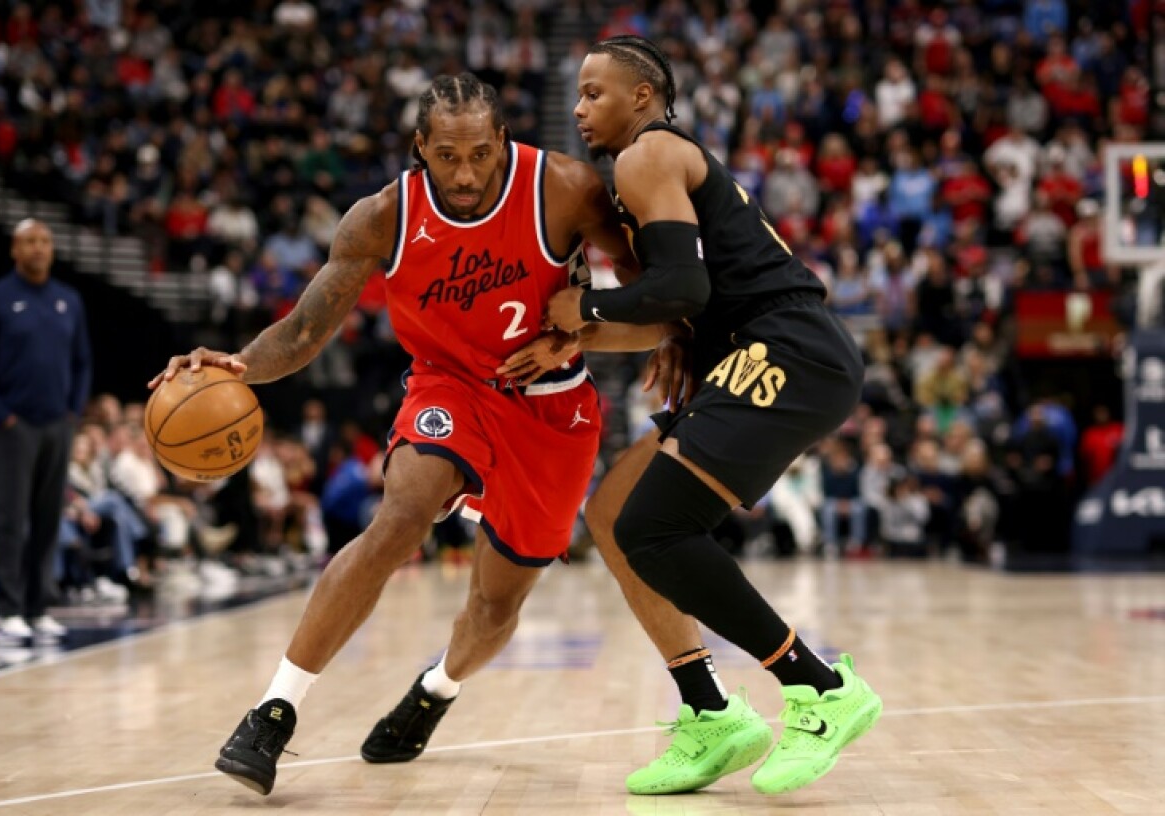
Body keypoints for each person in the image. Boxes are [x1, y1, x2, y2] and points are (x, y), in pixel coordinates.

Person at [150, 74, 767, 798]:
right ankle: (273, 713)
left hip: (552, 409)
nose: (466, 173)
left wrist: (589, 339)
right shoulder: (381, 217)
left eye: (479, 153)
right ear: (420, 149)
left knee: (496, 606)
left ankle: (435, 689)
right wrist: (236, 367)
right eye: (447, 155)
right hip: (449, 386)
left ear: (503, 140)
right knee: (401, 516)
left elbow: (658, 301)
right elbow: (306, 329)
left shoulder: (565, 188)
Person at [542, 36, 883, 796]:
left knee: (651, 528)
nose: (578, 107)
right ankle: (710, 711)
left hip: (790, 347)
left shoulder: (647, 154)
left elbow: (682, 290)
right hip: (762, 353)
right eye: (577, 92)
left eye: (595, 92)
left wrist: (590, 306)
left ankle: (821, 688)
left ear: (642, 96)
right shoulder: (650, 170)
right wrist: (577, 337)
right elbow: (674, 308)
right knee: (614, 513)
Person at [0, 219, 92, 642]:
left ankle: (38, 608)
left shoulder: (67, 301)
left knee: (47, 520)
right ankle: (7, 608)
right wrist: (2, 415)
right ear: (14, 250)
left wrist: (73, 411)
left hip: (57, 425)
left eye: (44, 241)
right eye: (29, 242)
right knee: (10, 518)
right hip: (12, 427)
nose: (38, 248)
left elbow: (82, 362)